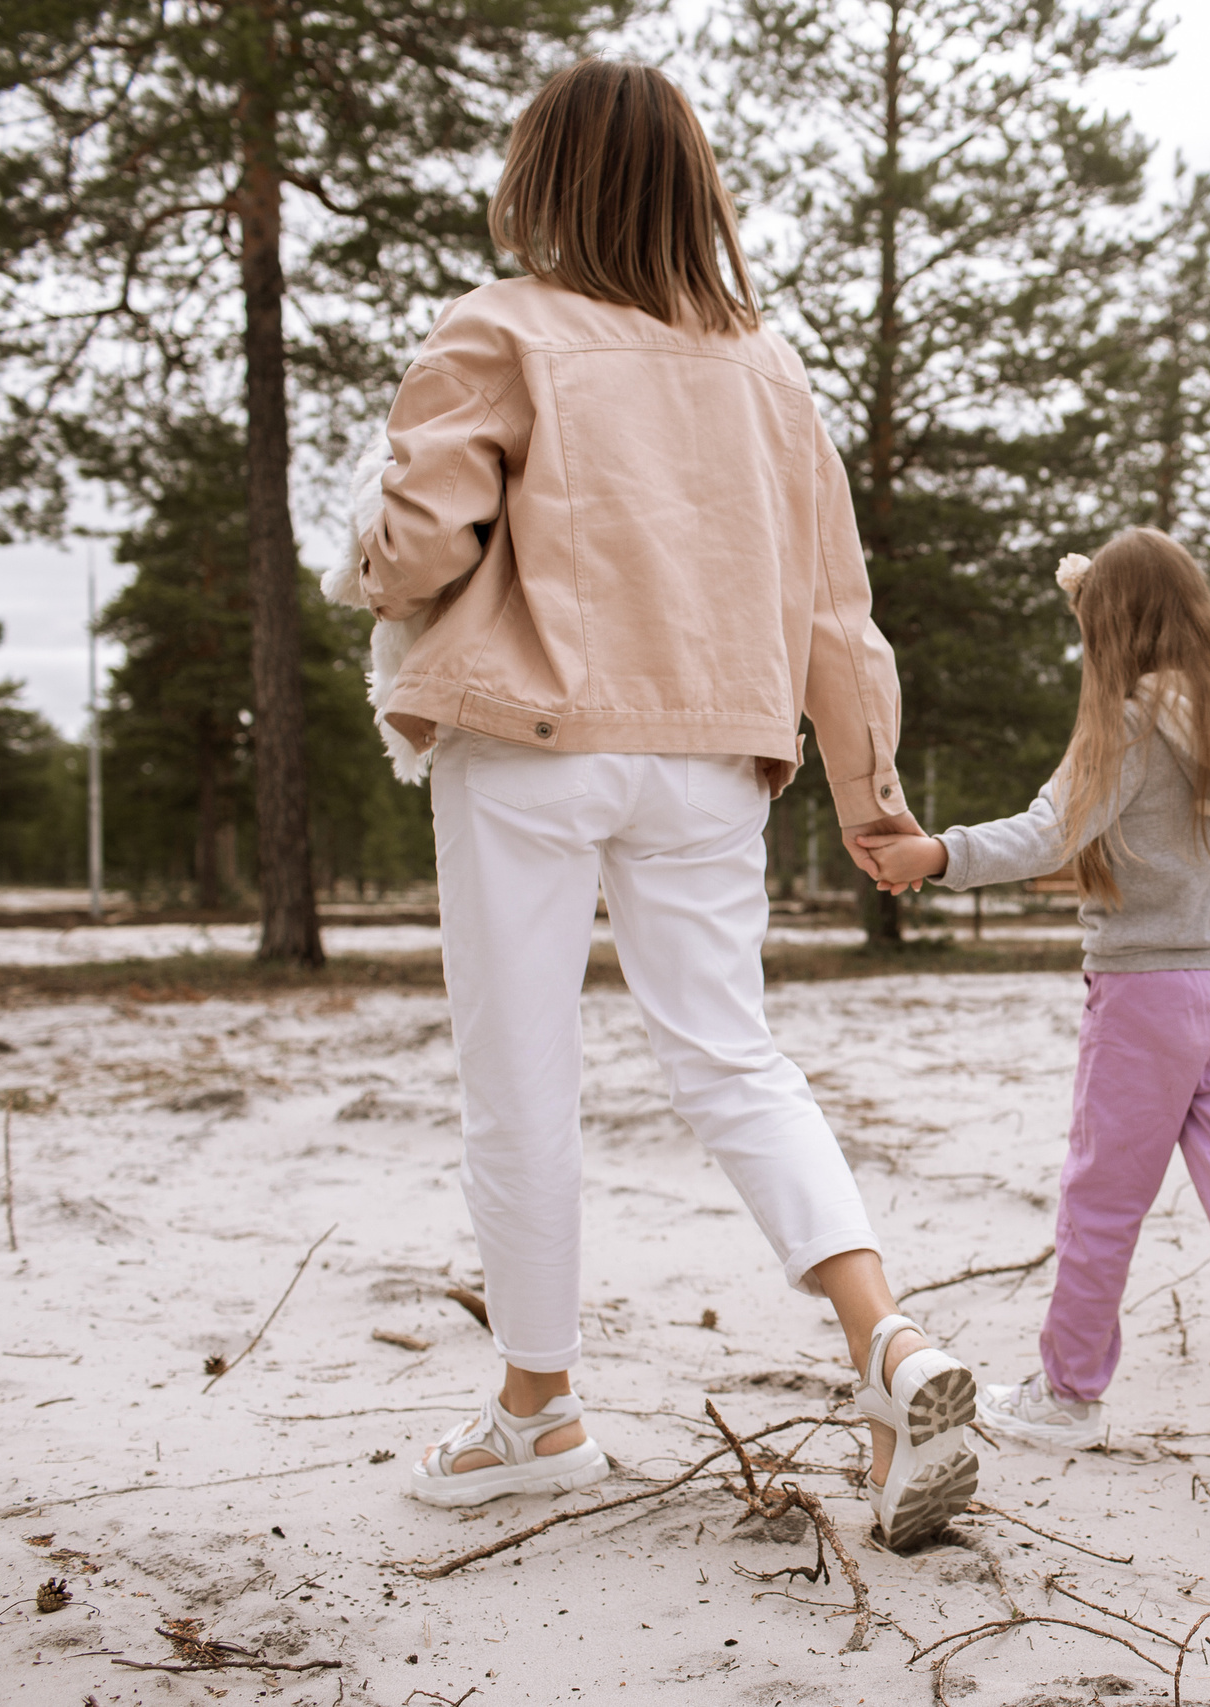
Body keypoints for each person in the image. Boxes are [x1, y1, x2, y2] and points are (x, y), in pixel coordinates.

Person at [328, 58, 977, 1548]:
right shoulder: (768, 367)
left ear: (541, 180)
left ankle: (539, 1408)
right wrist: (872, 789)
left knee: (524, 1074)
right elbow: (836, 609)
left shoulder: (499, 328)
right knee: (732, 1053)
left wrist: (365, 546)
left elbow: (423, 545)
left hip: (533, 737)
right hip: (710, 750)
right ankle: (884, 1340)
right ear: (697, 186)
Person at [857, 529, 1210, 1489]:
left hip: (1145, 996)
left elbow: (1049, 829)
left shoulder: (1132, 724)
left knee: (1101, 1200)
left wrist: (935, 854)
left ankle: (1068, 1394)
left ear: (1116, 626)